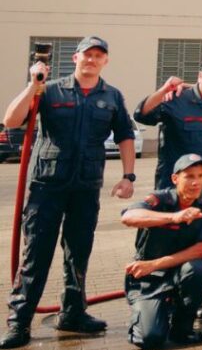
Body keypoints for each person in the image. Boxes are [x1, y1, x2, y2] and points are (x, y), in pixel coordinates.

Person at [0, 36, 135, 348]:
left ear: (106, 61)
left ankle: (73, 312)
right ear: (75, 58)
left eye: (98, 55)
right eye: (87, 54)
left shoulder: (111, 96)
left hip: (85, 187)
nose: (92, 60)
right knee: (36, 255)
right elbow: (12, 120)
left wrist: (129, 176)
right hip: (47, 186)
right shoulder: (49, 89)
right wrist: (33, 84)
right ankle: (19, 322)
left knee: (78, 252)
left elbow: (125, 135)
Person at [120, 154, 202, 348]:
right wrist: (173, 217)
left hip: (175, 272)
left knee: (197, 269)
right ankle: (152, 314)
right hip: (151, 279)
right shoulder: (160, 199)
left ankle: (182, 329)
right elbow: (129, 217)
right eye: (189, 176)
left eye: (201, 176)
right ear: (175, 179)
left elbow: (201, 250)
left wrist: (154, 264)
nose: (196, 182)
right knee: (150, 339)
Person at [136, 56, 202, 199]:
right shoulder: (176, 98)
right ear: (199, 76)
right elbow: (142, 115)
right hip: (179, 189)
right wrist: (163, 90)